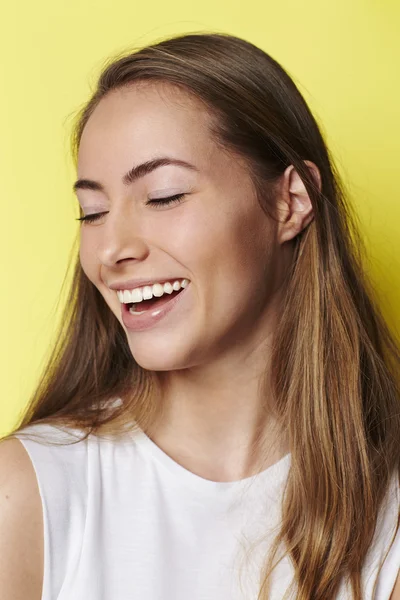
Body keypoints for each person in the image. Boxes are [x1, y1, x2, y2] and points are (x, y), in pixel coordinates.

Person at [1, 31, 399, 600]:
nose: (112, 248)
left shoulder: (387, 516)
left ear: (292, 202)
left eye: (163, 197)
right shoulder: (25, 495)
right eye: (92, 212)